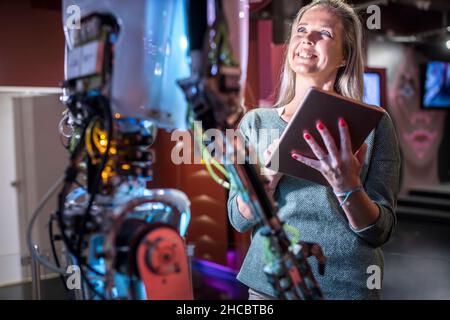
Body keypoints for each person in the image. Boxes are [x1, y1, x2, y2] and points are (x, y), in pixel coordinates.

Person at [227, 0, 401, 300]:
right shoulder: (255, 123)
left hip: (344, 288)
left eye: (324, 33)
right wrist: (266, 178)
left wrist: (348, 188)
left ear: (344, 56)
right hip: (270, 286)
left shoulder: (372, 124)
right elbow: (239, 219)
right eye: (302, 30)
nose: (307, 38)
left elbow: (379, 231)